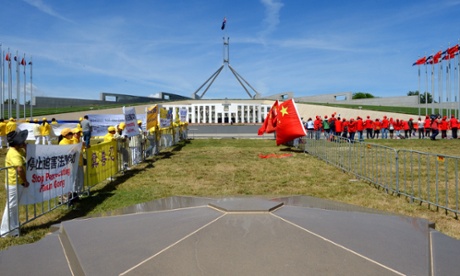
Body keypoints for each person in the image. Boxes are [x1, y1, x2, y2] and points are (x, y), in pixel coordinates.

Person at [1, 129, 29, 237]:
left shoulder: (19, 151)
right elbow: (20, 169)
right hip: (14, 183)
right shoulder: (13, 153)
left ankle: (13, 228)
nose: (23, 142)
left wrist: (26, 149)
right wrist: (25, 181)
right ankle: (5, 231)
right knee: (11, 206)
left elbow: (25, 159)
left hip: (17, 183)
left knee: (13, 206)